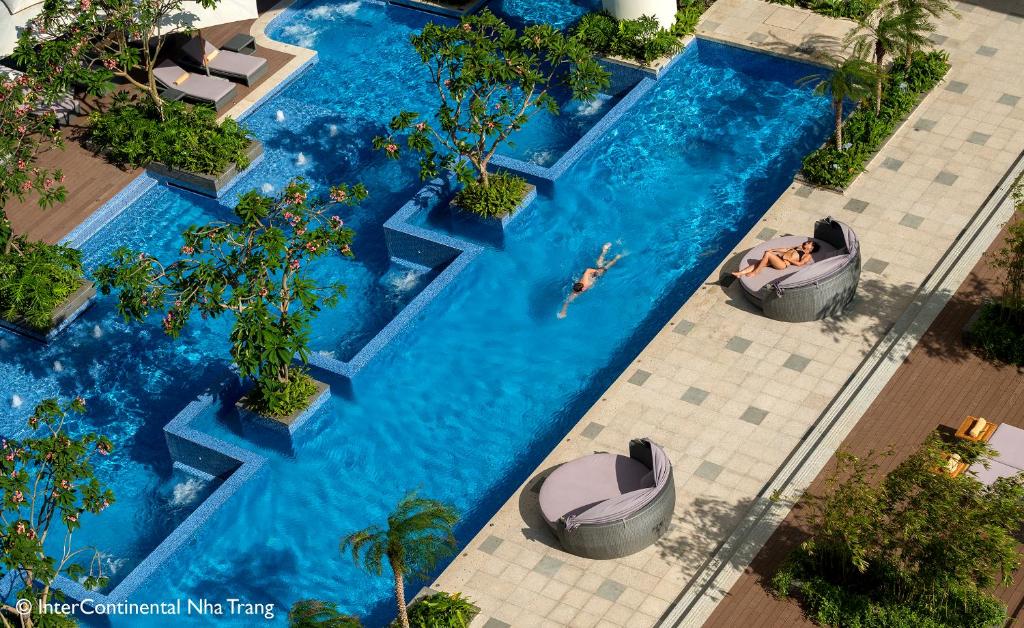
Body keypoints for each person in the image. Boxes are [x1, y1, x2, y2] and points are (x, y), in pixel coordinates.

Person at [558, 243, 622, 319]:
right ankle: (608, 253)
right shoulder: (580, 286)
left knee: (603, 266)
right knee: (600, 265)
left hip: (594, 273)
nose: (575, 293)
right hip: (594, 275)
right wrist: (563, 311)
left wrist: (598, 272)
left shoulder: (585, 284)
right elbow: (567, 302)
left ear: (582, 289)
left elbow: (588, 270)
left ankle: (612, 255)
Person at [732, 240, 819, 278]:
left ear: (811, 248)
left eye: (809, 243)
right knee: (760, 262)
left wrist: (788, 259)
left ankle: (756, 272)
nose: (806, 242)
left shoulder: (808, 255)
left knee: (768, 254)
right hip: (778, 259)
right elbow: (785, 249)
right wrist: (773, 249)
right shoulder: (798, 247)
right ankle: (740, 273)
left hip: (783, 264)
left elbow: (800, 264)